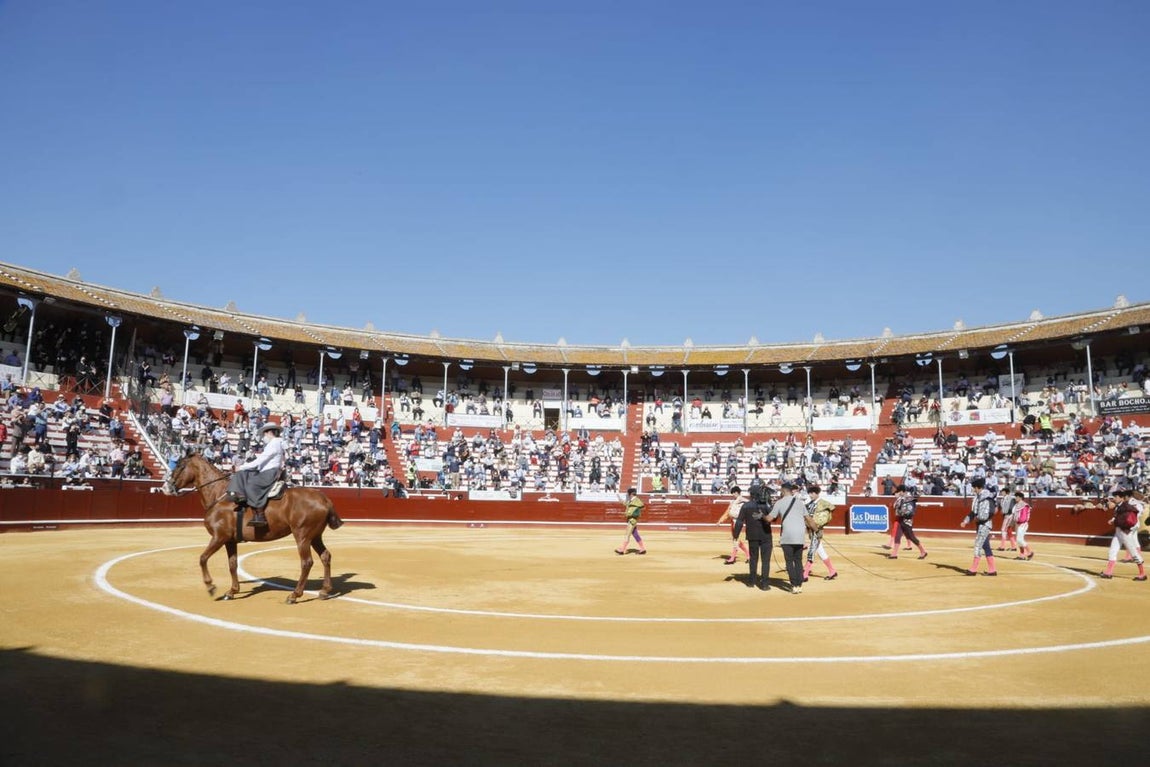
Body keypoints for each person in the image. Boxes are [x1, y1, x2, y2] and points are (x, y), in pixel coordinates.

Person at [227, 422, 285, 527]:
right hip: (265, 471)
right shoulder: (273, 443)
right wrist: (242, 469)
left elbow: (260, 461)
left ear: (269, 432)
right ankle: (240, 497)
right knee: (241, 474)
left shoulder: (275, 443)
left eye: (264, 434)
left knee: (251, 484)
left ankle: (260, 515)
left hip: (270, 472)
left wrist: (242, 466)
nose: (263, 437)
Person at [732, 480, 773, 590]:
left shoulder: (746, 506)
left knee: (753, 558)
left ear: (751, 494)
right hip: (765, 535)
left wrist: (735, 535)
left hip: (752, 535)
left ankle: (751, 581)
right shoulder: (765, 505)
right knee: (765, 560)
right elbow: (774, 518)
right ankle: (764, 584)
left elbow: (739, 521)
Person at [767, 480, 806, 594]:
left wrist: (760, 516)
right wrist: (816, 529)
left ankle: (794, 585)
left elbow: (770, 518)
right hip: (799, 535)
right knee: (798, 560)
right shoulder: (799, 502)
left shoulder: (779, 502)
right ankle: (799, 584)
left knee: (789, 561)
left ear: (783, 491)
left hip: (787, 536)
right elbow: (808, 519)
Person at [1100, 489, 1147, 581]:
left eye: (1116, 497)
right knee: (1112, 551)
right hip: (1118, 532)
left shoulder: (1127, 506)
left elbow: (1133, 516)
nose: (1114, 499)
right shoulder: (1119, 506)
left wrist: (1129, 526)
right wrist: (1113, 520)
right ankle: (1108, 572)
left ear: (1122, 498)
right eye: (1114, 497)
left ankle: (1142, 574)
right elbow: (1117, 515)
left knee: (1133, 553)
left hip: (1125, 532)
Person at [959, 476, 998, 576]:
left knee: (978, 545)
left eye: (973, 487)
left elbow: (984, 515)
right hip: (982, 524)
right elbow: (973, 512)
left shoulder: (985, 497)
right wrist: (965, 521)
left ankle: (973, 569)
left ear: (977, 487)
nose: (972, 489)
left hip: (984, 525)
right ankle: (992, 569)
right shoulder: (979, 497)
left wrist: (976, 519)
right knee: (985, 546)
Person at [802, 484, 840, 581]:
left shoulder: (823, 503)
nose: (810, 495)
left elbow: (826, 517)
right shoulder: (810, 504)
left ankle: (805, 574)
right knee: (820, 551)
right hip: (811, 531)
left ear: (816, 493)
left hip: (817, 531)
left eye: (812, 493)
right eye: (809, 493)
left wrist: (817, 526)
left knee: (811, 551)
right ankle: (832, 571)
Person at [888, 484, 928, 560]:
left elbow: (916, 497)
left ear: (902, 491)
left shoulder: (909, 498)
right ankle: (894, 554)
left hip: (907, 520)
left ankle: (923, 551)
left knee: (911, 537)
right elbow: (895, 506)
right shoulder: (901, 498)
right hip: (900, 519)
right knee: (897, 536)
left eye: (898, 492)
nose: (896, 493)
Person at [716, 485, 750, 565]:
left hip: (737, 522)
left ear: (736, 492)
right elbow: (727, 513)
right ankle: (749, 556)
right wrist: (720, 521)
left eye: (733, 494)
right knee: (737, 541)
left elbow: (749, 503)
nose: (733, 495)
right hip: (733, 522)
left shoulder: (741, 499)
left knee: (735, 540)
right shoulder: (733, 502)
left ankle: (732, 558)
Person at [614, 487, 646, 555]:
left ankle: (622, 550)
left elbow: (641, 507)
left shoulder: (636, 501)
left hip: (632, 520)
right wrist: (619, 498)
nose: (627, 495)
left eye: (628, 494)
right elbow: (626, 504)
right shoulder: (632, 500)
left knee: (627, 535)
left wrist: (626, 513)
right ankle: (642, 549)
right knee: (635, 534)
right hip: (631, 519)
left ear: (631, 494)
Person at [1013, 490, 1035, 560]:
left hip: (1022, 524)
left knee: (1019, 539)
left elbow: (1024, 517)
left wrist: (1019, 521)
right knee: (1018, 540)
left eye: (1016, 497)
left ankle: (1030, 552)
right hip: (1017, 524)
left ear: (1020, 497)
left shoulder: (1024, 505)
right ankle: (1022, 554)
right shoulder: (1017, 505)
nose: (1015, 498)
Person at [996, 487, 1019, 553]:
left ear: (1006, 492)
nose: (1002, 493)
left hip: (1009, 515)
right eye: (1002, 492)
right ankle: (1014, 546)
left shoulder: (1010, 499)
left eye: (1003, 492)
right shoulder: (1003, 499)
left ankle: (1002, 546)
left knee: (1003, 530)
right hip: (1007, 516)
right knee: (1009, 531)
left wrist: (1004, 511)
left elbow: (1011, 508)